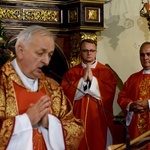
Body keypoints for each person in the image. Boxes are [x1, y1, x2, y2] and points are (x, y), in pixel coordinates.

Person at [0, 25, 84, 150]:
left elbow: (75, 131)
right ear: (20, 51)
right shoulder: (2, 84)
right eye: (40, 53)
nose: (47, 61)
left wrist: (50, 124)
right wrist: (26, 120)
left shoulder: (54, 88)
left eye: (50, 55)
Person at [61, 39, 117, 150]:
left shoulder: (106, 71)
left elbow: (109, 92)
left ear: (96, 52)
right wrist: (82, 81)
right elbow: (65, 92)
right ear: (80, 52)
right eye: (85, 50)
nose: (89, 53)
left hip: (99, 118)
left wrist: (93, 81)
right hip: (78, 117)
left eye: (92, 50)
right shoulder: (72, 72)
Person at [117, 42, 150, 149]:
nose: (145, 58)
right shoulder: (133, 79)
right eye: (142, 54)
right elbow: (122, 96)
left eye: (148, 54)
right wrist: (131, 105)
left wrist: (148, 104)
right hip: (136, 131)